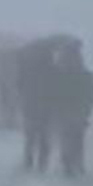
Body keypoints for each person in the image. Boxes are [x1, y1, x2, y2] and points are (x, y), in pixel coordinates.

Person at [18, 36, 66, 172]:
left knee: (30, 137)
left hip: (30, 107)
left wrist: (25, 100)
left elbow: (20, 86)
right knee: (44, 137)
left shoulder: (28, 70)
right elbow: (59, 90)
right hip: (47, 108)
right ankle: (42, 164)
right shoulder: (54, 71)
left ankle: (28, 161)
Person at [55, 39, 93, 178]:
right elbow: (92, 90)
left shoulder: (62, 69)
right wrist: (88, 105)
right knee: (77, 137)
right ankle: (77, 164)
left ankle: (69, 164)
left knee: (67, 136)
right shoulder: (80, 70)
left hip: (67, 108)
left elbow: (55, 89)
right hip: (78, 108)